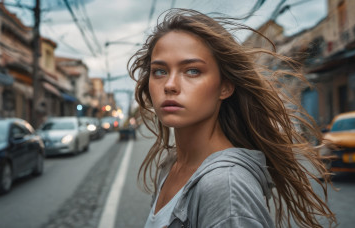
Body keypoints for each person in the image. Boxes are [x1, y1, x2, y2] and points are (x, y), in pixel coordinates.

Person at [128, 9, 336, 228]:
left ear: (225, 87)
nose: (169, 85)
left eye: (192, 71)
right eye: (159, 71)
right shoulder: (171, 166)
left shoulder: (225, 185)